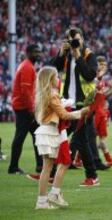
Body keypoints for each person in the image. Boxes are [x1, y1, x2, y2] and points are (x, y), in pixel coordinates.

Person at [34, 66, 88, 209]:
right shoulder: (52, 95)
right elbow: (63, 115)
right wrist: (81, 112)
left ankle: (45, 199)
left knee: (49, 167)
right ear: (50, 80)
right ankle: (46, 199)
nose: (59, 79)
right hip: (50, 132)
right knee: (48, 168)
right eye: (56, 76)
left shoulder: (46, 94)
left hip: (49, 132)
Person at [51, 27, 99, 186]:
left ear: (82, 39)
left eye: (77, 40)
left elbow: (90, 75)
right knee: (80, 140)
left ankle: (51, 174)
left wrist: (78, 55)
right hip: (67, 103)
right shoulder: (66, 55)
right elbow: (51, 70)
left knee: (75, 138)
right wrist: (60, 52)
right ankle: (92, 175)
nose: (74, 43)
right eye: (71, 41)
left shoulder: (89, 55)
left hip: (84, 103)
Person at [8, 44, 43, 174]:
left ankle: (40, 165)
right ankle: (13, 167)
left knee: (36, 135)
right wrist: (32, 109)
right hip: (24, 109)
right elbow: (25, 92)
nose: (38, 54)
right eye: (35, 52)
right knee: (20, 137)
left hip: (23, 107)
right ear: (28, 53)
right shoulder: (27, 67)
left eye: (39, 52)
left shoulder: (27, 65)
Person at [94, 56, 112, 166]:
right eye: (102, 65)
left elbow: (102, 96)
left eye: (105, 65)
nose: (104, 67)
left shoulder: (102, 81)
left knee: (102, 138)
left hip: (101, 111)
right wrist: (111, 90)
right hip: (94, 112)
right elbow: (94, 96)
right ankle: (76, 158)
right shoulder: (92, 78)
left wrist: (111, 90)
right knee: (89, 137)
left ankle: (109, 159)